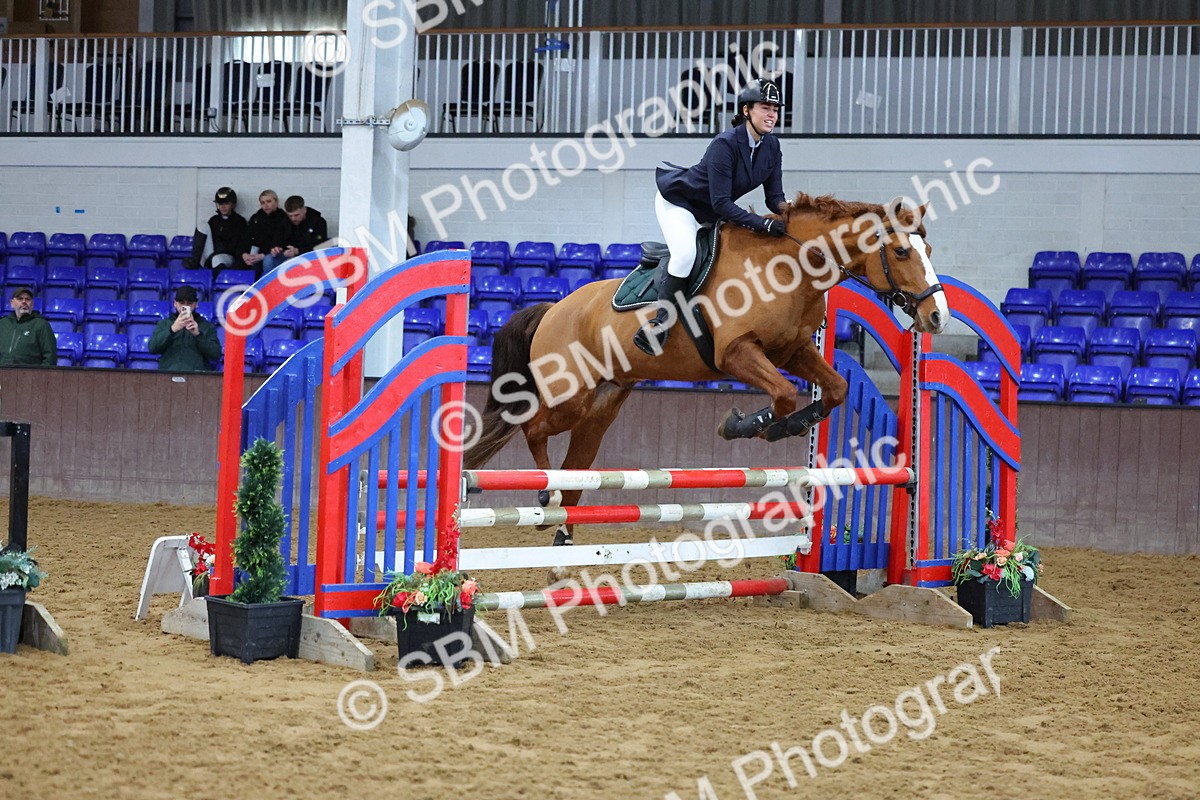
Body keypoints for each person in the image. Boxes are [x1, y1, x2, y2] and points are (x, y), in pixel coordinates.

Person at [634, 79, 789, 356]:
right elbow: (721, 203)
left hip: (713, 213)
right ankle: (659, 324)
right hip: (682, 204)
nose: (772, 115)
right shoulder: (724, 144)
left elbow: (773, 196)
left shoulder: (772, 147)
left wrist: (792, 213)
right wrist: (764, 224)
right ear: (746, 111)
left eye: (776, 109)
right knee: (684, 255)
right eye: (765, 107)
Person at [148, 286, 222, 372]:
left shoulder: (206, 326)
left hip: (197, 378)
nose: (185, 306)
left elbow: (216, 354)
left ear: (196, 304)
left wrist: (198, 335)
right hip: (168, 376)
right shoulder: (164, 324)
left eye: (190, 303)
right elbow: (152, 348)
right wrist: (172, 330)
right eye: (181, 302)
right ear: (175, 303)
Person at [189, 186, 248, 271]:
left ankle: (215, 282)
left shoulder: (239, 221)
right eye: (220, 204)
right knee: (202, 225)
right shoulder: (214, 220)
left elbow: (237, 246)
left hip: (227, 256)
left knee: (217, 259)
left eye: (226, 203)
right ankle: (195, 260)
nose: (223, 207)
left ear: (233, 204)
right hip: (211, 254)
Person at [0, 287, 57, 366]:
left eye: (28, 299)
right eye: (20, 298)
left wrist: (41, 376)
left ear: (32, 304)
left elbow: (50, 357)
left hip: (30, 376)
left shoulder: (41, 324)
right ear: (12, 303)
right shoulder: (2, 323)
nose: (24, 302)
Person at [242, 189, 291, 278]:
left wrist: (263, 255)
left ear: (276, 202)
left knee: (268, 260)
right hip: (257, 254)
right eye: (263, 202)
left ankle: (267, 288)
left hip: (276, 254)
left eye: (269, 201)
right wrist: (244, 254)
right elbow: (246, 238)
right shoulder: (256, 218)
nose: (266, 205)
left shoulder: (283, 219)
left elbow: (280, 242)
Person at [279, 195, 330, 261]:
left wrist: (298, 251)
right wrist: (278, 248)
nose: (293, 218)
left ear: (304, 210)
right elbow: (279, 238)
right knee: (270, 259)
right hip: (288, 253)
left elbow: (320, 245)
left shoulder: (318, 222)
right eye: (290, 216)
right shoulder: (285, 221)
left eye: (296, 215)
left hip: (310, 256)